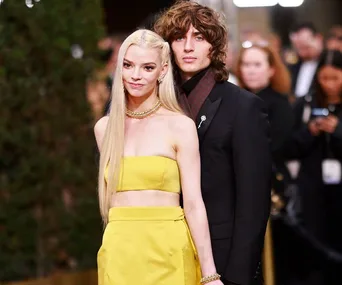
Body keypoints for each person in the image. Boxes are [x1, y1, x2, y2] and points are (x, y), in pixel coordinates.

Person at [154, 2, 272, 285]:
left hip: (224, 260)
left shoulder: (243, 107)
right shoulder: (159, 106)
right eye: (179, 38)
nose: (188, 47)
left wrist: (237, 275)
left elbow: (254, 201)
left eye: (199, 37)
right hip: (166, 254)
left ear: (213, 46)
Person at [94, 29, 224, 285]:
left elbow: (194, 203)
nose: (136, 75)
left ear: (163, 71)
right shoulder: (104, 129)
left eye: (147, 67)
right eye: (128, 65)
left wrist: (209, 274)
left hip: (169, 249)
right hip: (119, 251)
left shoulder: (180, 126)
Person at [284, 50, 342, 285]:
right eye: (324, 78)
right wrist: (310, 132)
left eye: (335, 78)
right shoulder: (306, 104)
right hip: (312, 188)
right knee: (314, 248)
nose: (328, 84)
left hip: (339, 191)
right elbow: (287, 146)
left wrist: (337, 131)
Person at [288, 22, 324, 98]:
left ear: (318, 38)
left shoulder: (329, 63)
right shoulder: (292, 68)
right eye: (299, 48)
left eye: (306, 47)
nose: (303, 53)